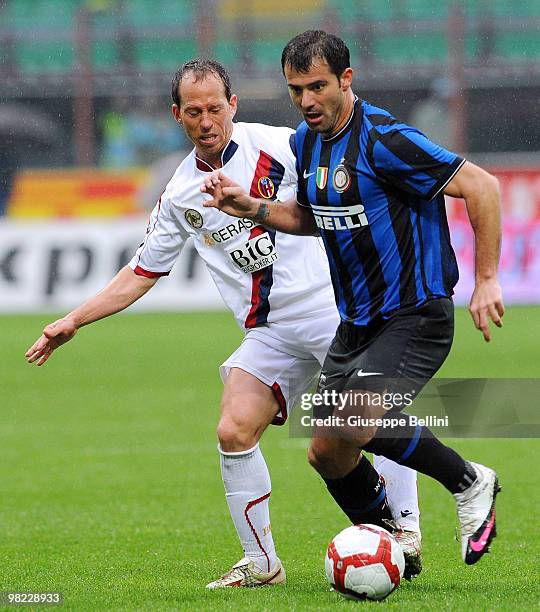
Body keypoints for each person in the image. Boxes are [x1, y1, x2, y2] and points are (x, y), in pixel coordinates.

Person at [26, 60, 423, 588]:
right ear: (177, 115)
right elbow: (142, 272)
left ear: (232, 104)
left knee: (370, 419)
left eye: (215, 107)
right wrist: (72, 320)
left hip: (337, 313)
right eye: (194, 111)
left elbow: (349, 178)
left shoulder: (283, 146)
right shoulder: (180, 194)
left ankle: (407, 531)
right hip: (271, 333)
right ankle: (263, 563)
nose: (206, 120)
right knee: (233, 430)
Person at [201, 31, 504, 566]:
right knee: (328, 451)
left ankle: (469, 481)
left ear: (346, 79)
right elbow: (309, 218)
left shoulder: (385, 138)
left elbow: (482, 187)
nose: (307, 101)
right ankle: (391, 545)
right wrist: (252, 206)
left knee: (354, 421)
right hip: (357, 321)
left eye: (318, 86)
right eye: (296, 90)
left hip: (415, 311)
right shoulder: (305, 142)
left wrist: (486, 280)